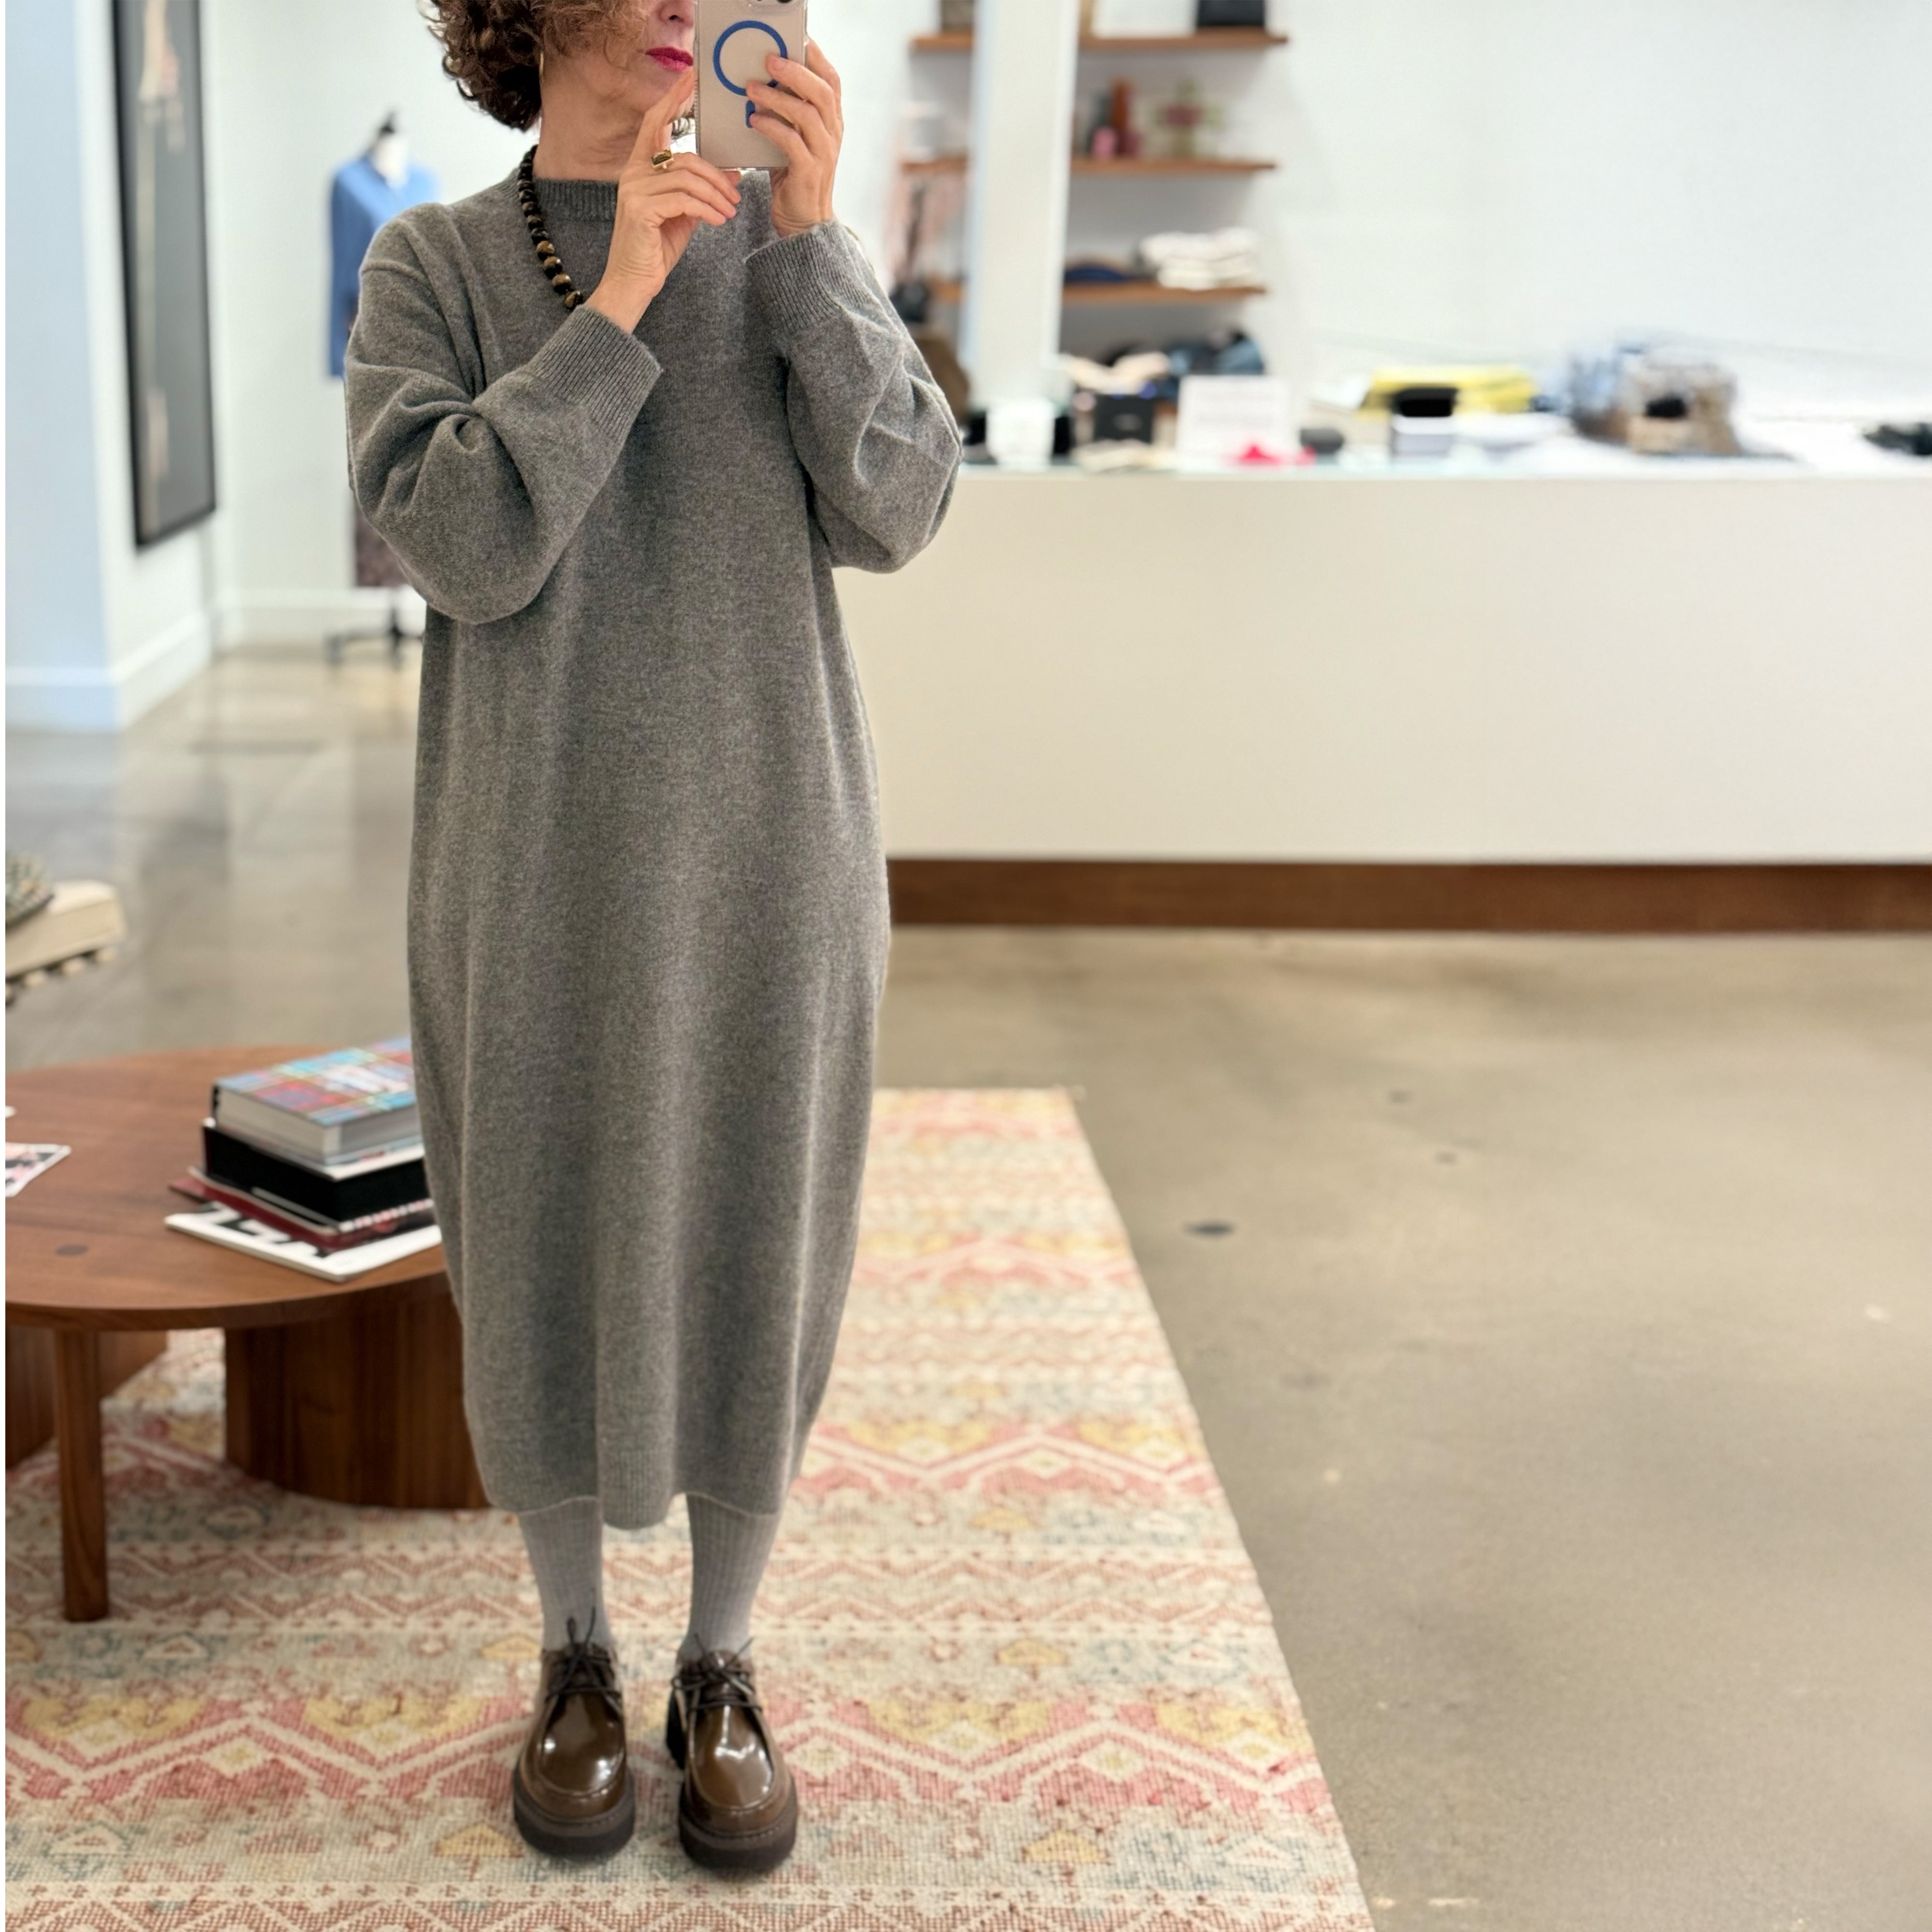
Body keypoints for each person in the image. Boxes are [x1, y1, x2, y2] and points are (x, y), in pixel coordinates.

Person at [342, 0, 961, 1871]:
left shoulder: (793, 252)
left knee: (760, 1231)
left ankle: (721, 1659)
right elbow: (451, 546)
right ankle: (574, 1654)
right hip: (528, 857)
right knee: (533, 1231)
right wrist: (611, 308)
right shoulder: (437, 262)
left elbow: (905, 504)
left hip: (776, 840)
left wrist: (816, 238)